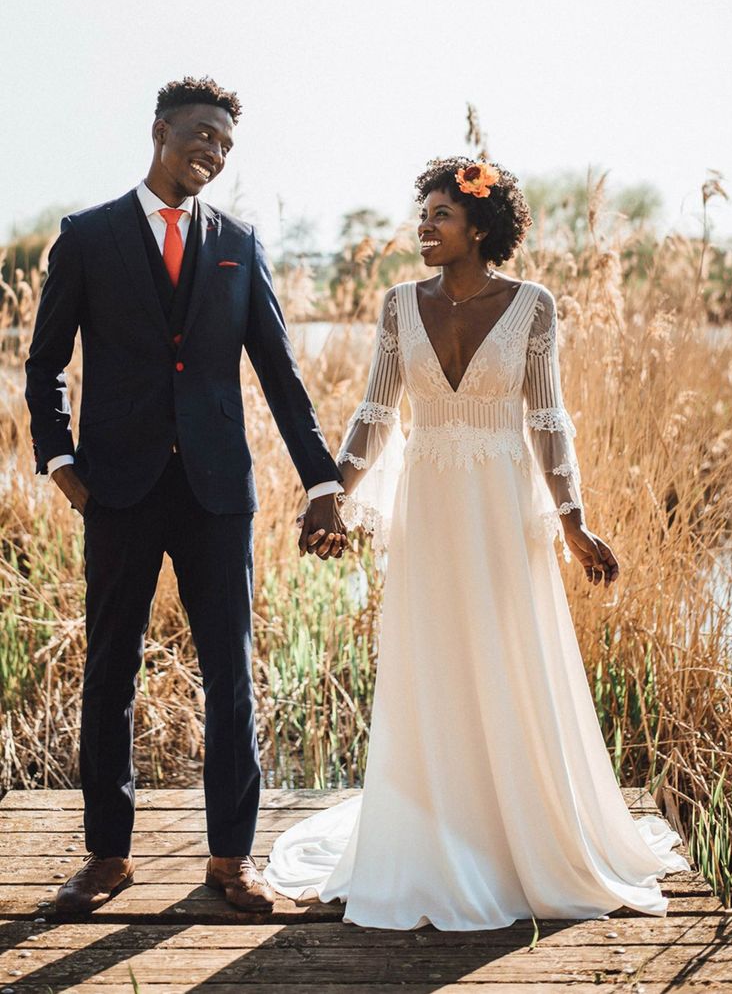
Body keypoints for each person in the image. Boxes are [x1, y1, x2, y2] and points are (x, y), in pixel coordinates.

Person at [264, 157, 690, 930]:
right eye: (422, 213)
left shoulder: (534, 306)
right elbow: (374, 412)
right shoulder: (398, 305)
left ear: (481, 228)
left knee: (508, 655)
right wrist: (334, 494)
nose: (423, 226)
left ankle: (516, 837)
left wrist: (572, 520)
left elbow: (548, 419)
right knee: (430, 660)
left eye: (439, 215)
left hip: (500, 509)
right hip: (427, 506)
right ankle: (428, 839)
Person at [25, 76, 348, 915]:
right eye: (203, 136)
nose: (214, 153)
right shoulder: (87, 236)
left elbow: (279, 373)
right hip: (119, 490)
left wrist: (321, 481)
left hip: (217, 494)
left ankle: (230, 859)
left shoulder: (240, 241)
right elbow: (44, 362)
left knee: (231, 673)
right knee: (111, 669)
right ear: (161, 130)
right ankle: (106, 856)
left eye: (226, 146)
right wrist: (59, 461)